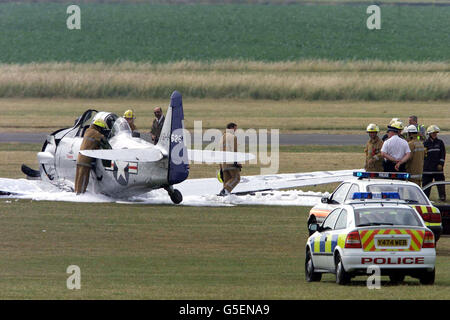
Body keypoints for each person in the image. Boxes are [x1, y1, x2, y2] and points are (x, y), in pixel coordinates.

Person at [74, 116, 112, 194]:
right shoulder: (96, 133)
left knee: (78, 177)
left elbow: (91, 144)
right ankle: (80, 194)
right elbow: (104, 141)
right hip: (86, 160)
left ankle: (76, 192)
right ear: (98, 127)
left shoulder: (88, 131)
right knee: (84, 178)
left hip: (80, 158)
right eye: (102, 129)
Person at [423, 125, 446, 201]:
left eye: (436, 133)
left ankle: (442, 197)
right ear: (429, 133)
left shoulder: (440, 143)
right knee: (426, 186)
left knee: (441, 184)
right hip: (427, 170)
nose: (435, 134)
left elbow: (443, 154)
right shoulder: (425, 143)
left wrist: (441, 164)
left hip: (438, 170)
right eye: (433, 133)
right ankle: (425, 199)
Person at [218, 122, 241, 196]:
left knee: (227, 180)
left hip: (223, 163)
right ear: (231, 128)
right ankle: (225, 191)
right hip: (230, 162)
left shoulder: (221, 137)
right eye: (235, 129)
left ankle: (224, 196)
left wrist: (220, 166)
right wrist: (236, 162)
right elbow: (234, 151)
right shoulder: (233, 137)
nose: (235, 131)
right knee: (236, 178)